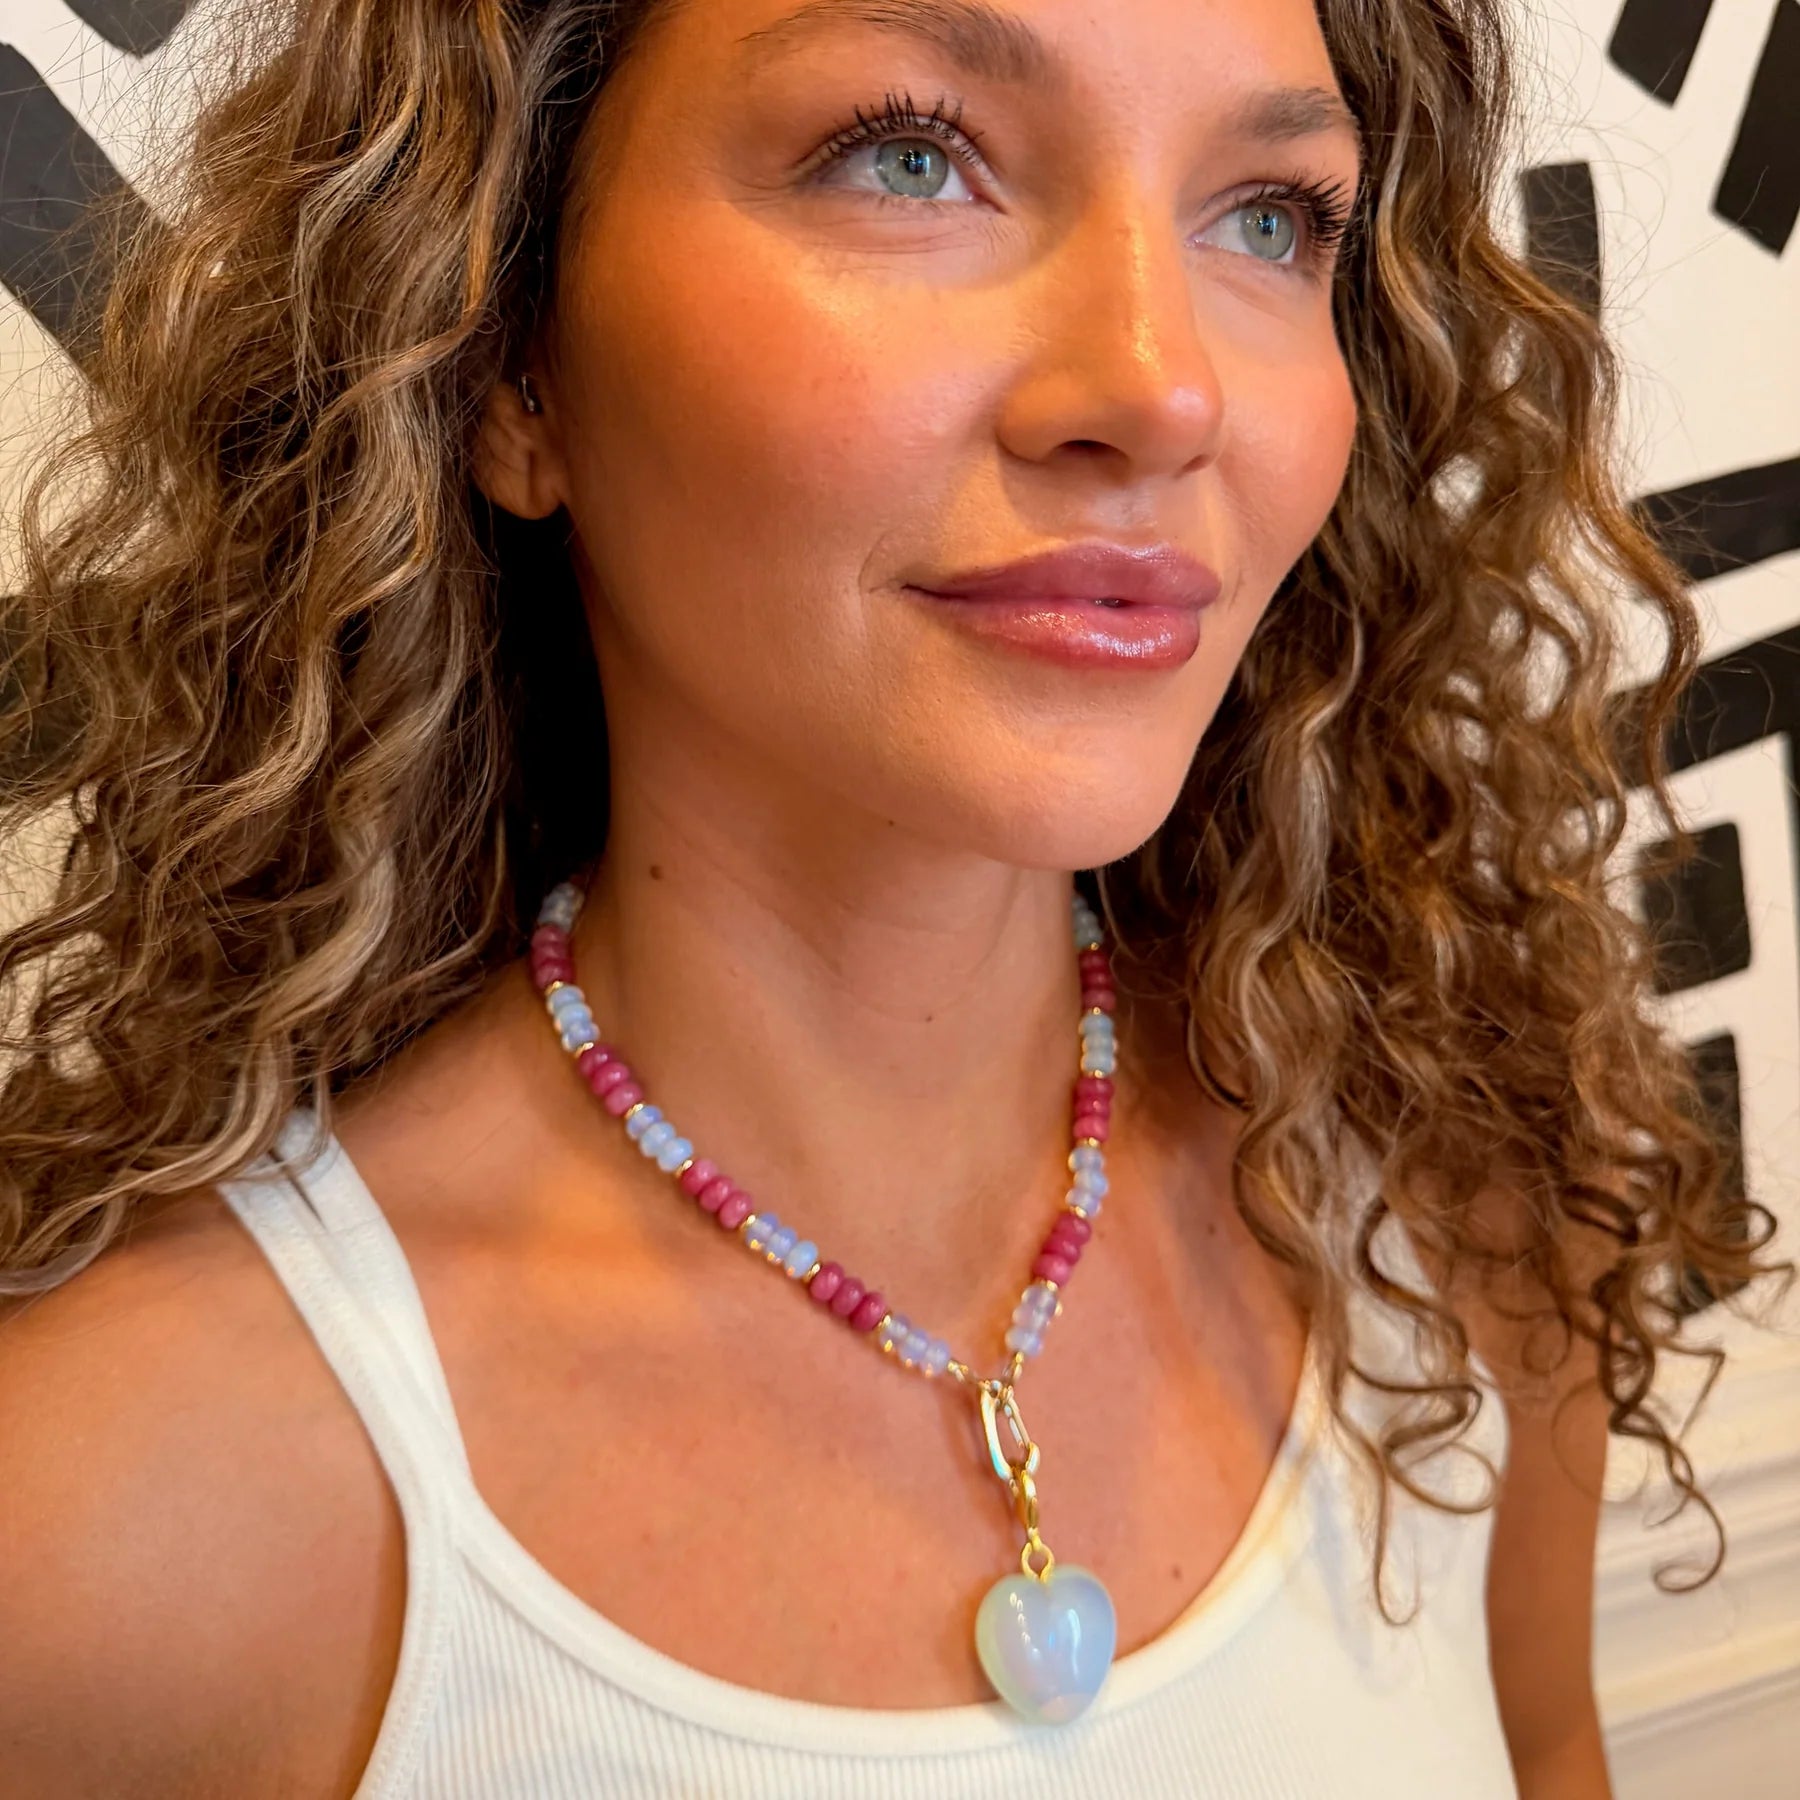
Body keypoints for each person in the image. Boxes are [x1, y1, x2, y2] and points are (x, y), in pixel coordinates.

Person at [0, 0, 1789, 1793]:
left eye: (1271, 215)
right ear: (510, 356)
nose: (1162, 391)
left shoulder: (1456, 1201)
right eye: (911, 158)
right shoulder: (114, 1515)